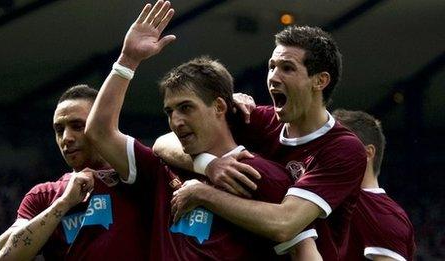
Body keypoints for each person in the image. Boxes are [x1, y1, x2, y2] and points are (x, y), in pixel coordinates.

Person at [84, 1, 321, 259]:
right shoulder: (163, 170)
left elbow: (303, 252)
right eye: (169, 112)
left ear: (219, 106)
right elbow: (99, 132)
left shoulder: (265, 175)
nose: (176, 121)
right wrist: (127, 60)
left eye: (186, 108)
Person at [155, 25, 367, 260]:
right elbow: (164, 142)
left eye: (287, 68)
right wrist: (210, 165)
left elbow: (285, 223)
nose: (274, 77)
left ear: (320, 81)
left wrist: (204, 194)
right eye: (272, 67)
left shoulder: (343, 149)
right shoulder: (255, 118)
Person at [0, 85, 152, 260]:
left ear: (101, 125)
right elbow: (5, 257)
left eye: (77, 126)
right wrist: (63, 203)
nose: (66, 138)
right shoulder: (43, 196)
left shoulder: (140, 177)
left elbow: (168, 145)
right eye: (59, 130)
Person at [332, 109, 416, 261]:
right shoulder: (327, 199)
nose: (326, 154)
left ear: (367, 153)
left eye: (336, 146)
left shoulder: (385, 216)